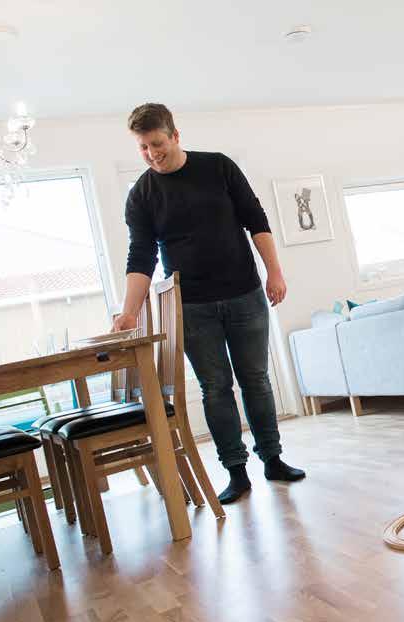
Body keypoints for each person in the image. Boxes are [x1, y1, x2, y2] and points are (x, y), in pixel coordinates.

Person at [112, 103, 304, 504]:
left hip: (244, 293)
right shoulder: (142, 195)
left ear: (175, 135)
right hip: (193, 306)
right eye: (143, 148)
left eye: (158, 144)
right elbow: (140, 256)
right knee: (216, 388)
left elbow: (256, 219)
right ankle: (236, 471)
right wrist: (129, 310)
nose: (152, 154)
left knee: (256, 379)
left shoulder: (218, 167)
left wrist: (275, 272)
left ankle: (272, 459)